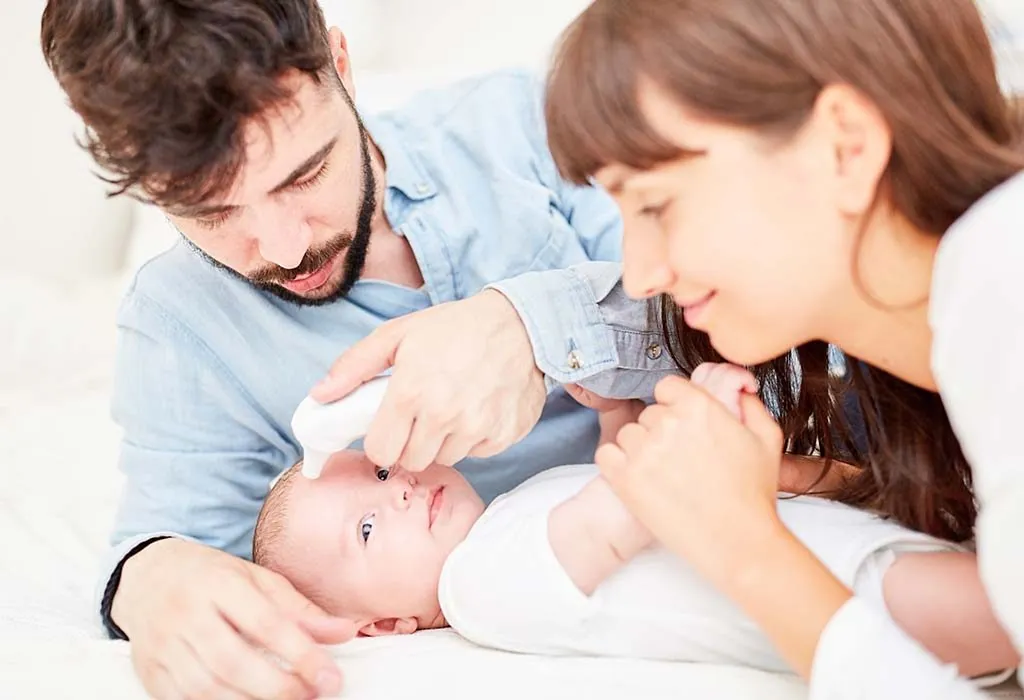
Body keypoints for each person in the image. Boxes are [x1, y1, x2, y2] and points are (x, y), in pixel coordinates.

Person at [307, 0, 1024, 695]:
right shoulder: (951, 344)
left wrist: (744, 542)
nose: (640, 273)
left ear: (846, 147)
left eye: (655, 205)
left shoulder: (999, 285)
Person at [38, 2, 657, 699]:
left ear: (340, 65)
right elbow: (166, 538)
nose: (286, 250)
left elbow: (732, 319)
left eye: (303, 175)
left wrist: (536, 326)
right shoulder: (181, 327)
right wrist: (151, 581)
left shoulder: (520, 127)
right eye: (211, 213)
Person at [250, 368, 1017, 681]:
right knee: (999, 614)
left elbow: (598, 497)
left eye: (382, 472)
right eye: (368, 530)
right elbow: (613, 520)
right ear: (386, 626)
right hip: (846, 598)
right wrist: (696, 417)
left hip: (830, 545)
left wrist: (617, 416)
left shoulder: (506, 520)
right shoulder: (476, 589)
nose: (401, 493)